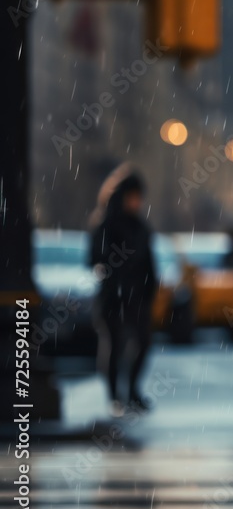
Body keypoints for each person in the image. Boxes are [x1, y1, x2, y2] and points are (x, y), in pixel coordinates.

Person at [89, 164, 158, 416]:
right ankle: (115, 397)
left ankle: (131, 393)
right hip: (113, 296)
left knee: (142, 343)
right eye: (133, 197)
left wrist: (150, 286)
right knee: (114, 346)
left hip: (137, 296)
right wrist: (115, 274)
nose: (137, 202)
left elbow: (149, 260)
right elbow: (96, 258)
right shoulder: (105, 224)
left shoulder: (140, 226)